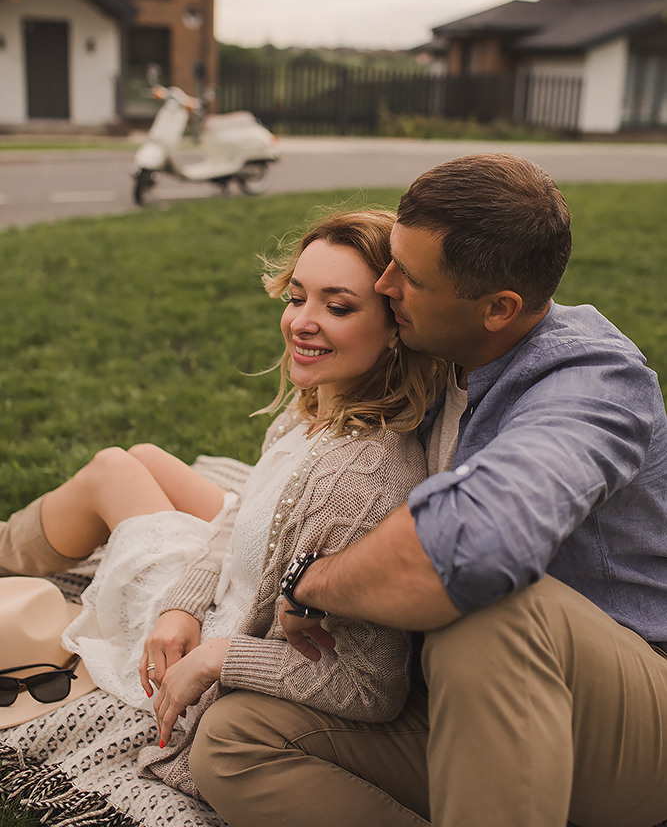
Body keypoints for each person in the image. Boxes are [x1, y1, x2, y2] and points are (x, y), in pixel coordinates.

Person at [186, 153, 667, 827]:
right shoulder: (444, 351)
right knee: (236, 736)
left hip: (622, 728)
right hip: (464, 701)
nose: (384, 285)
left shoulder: (590, 385)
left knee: (495, 608)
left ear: (498, 308)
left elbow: (467, 550)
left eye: (406, 277)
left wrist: (309, 582)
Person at [0, 208, 443, 803]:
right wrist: (184, 605)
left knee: (113, 469)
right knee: (143, 458)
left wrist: (217, 656)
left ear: (396, 326)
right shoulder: (315, 406)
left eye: (337, 307)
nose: (301, 323)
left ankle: (8, 546)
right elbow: (245, 514)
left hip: (231, 634)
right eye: (297, 296)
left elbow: (370, 686)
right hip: (217, 600)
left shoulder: (365, 477)